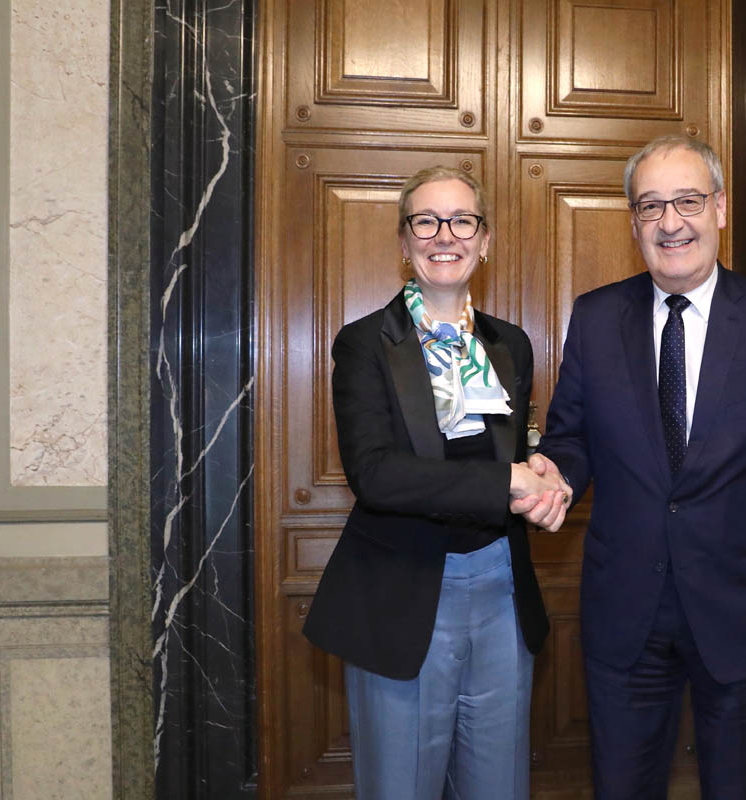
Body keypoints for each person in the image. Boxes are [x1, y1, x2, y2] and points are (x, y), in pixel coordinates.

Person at [514, 136, 746, 798]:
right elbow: (574, 435)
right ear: (634, 221)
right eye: (651, 206)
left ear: (719, 208)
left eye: (688, 201)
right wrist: (558, 472)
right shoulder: (597, 315)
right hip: (626, 613)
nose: (671, 223)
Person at [303, 166, 569, 799]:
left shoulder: (511, 346)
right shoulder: (365, 343)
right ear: (404, 241)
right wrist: (505, 480)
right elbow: (377, 476)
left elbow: (514, 442)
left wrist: (541, 472)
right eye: (426, 220)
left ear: (485, 240)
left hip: (503, 587)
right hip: (404, 595)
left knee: (498, 786)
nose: (444, 235)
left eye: (462, 221)